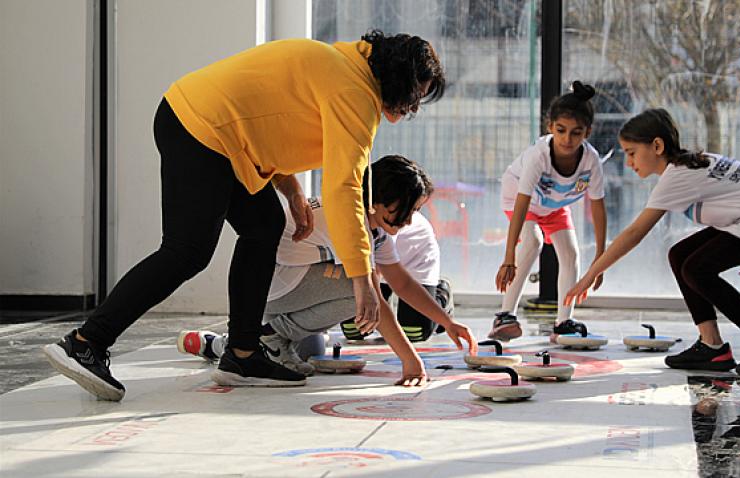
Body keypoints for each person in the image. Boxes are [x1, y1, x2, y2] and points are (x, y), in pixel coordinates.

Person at [43, 30, 446, 401]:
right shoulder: (354, 93)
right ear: (397, 78)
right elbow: (344, 188)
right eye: (415, 95)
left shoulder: (342, 67)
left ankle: (242, 352)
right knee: (188, 250)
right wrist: (361, 279)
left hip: (217, 132)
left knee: (264, 225)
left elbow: (266, 119)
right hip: (200, 129)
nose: (412, 108)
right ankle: (87, 342)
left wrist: (290, 191)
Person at [178, 155, 477, 386]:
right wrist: (411, 361)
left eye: (416, 212)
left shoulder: (376, 226)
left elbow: (402, 282)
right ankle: (268, 337)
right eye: (407, 210)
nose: (410, 221)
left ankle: (223, 345)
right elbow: (375, 300)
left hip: (286, 287)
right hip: (269, 288)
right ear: (379, 201)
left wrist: (446, 322)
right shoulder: (351, 220)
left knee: (311, 348)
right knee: (361, 295)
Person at [564, 108, 740, 374]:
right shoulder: (690, 164)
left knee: (696, 268)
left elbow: (634, 234)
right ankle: (711, 346)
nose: (629, 162)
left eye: (631, 153)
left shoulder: (677, 175)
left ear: (657, 145)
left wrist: (591, 273)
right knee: (680, 255)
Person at [491, 81, 608, 341]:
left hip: (554, 205)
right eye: (561, 130)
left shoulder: (591, 161)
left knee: (571, 253)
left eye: (576, 133)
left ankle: (564, 321)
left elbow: (598, 206)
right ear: (550, 127)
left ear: (587, 132)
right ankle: (504, 315)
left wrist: (600, 259)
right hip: (520, 199)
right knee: (531, 243)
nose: (567, 139)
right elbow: (522, 202)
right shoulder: (538, 156)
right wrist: (509, 255)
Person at [340, 211, 453, 343]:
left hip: (409, 266)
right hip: (381, 266)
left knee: (414, 331)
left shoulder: (389, 223)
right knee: (353, 329)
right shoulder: (353, 219)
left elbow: (400, 283)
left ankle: (440, 296)